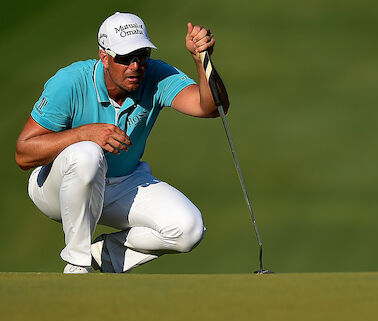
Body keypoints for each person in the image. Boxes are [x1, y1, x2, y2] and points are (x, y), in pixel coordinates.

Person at [14, 12, 229, 273]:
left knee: (188, 229)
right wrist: (84, 133)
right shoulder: (70, 82)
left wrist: (201, 60)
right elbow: (24, 154)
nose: (136, 66)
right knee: (87, 154)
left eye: (142, 56)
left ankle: (104, 255)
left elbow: (210, 107)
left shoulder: (156, 75)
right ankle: (77, 265)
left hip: (121, 182)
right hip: (56, 188)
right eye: (125, 58)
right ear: (104, 57)